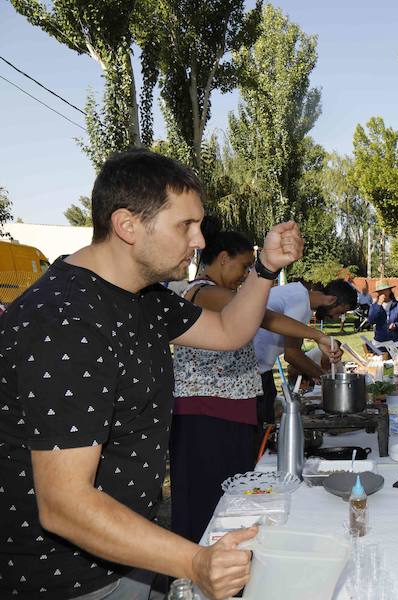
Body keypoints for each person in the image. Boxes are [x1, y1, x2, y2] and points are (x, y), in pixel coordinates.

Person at [0, 149, 303, 600]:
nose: (200, 240)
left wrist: (263, 269)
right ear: (127, 225)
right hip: (66, 580)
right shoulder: (65, 321)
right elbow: (65, 506)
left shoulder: (142, 296)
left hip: (130, 554)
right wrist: (195, 562)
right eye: (186, 225)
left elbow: (227, 331)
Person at [169, 218, 340, 543]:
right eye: (245, 266)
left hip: (230, 412)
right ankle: (195, 572)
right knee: (207, 505)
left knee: (235, 502)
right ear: (223, 259)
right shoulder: (202, 292)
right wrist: (315, 334)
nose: (248, 275)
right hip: (205, 416)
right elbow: (263, 316)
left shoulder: (223, 293)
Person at [252, 278, 355, 424]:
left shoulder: (297, 293)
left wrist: (318, 341)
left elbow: (294, 350)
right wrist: (329, 381)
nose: (336, 318)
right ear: (332, 300)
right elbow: (292, 355)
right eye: (340, 312)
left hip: (259, 371)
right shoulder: (300, 303)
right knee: (259, 430)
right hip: (254, 374)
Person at [367, 281, 398, 346]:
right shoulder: (374, 306)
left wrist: (396, 325)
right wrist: (378, 305)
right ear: (378, 293)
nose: (383, 293)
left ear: (389, 291)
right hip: (379, 342)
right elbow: (371, 321)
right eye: (380, 291)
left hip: (395, 342)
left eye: (385, 290)